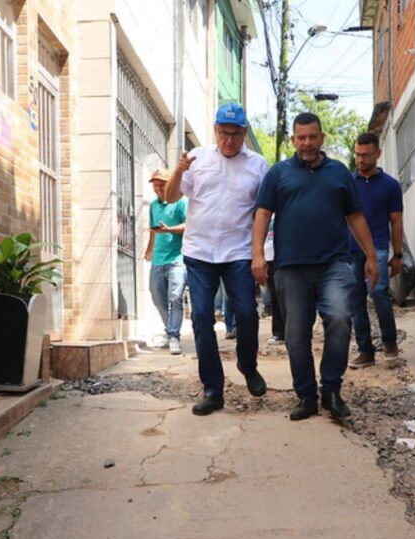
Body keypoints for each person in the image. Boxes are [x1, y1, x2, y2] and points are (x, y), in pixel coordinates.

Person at [252, 112, 379, 421]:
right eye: (301, 138)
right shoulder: (278, 174)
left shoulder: (338, 172)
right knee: (296, 334)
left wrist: (371, 256)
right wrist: (257, 254)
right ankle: (306, 396)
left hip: (333, 264)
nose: (306, 143)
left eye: (312, 137)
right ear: (294, 139)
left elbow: (355, 217)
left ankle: (331, 391)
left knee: (338, 319)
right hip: (290, 268)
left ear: (322, 138)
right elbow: (262, 214)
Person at [165, 102, 269, 416]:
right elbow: (170, 197)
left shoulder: (258, 165)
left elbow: (264, 212)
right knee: (200, 318)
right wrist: (178, 171)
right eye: (224, 134)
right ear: (215, 131)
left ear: (244, 133)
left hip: (237, 252)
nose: (229, 141)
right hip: (198, 253)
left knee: (248, 315)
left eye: (236, 135)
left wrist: (260, 253)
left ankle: (247, 365)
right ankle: (213, 389)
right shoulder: (196, 161)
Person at [348, 132, 404, 369]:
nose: (361, 159)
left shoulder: (390, 186)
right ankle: (365, 350)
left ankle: (390, 343)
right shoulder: (349, 184)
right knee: (355, 300)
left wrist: (398, 255)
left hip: (379, 247)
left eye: (366, 155)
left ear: (378, 154)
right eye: (357, 155)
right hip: (350, 250)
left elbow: (397, 222)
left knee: (379, 293)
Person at [144, 168, 187, 355]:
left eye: (162, 184)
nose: (159, 188)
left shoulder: (181, 202)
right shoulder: (153, 205)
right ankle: (170, 331)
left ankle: (174, 336)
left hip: (177, 259)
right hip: (158, 260)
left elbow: (190, 225)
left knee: (175, 297)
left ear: (170, 184)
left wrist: (170, 230)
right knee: (156, 295)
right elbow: (154, 229)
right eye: (156, 185)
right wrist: (149, 248)